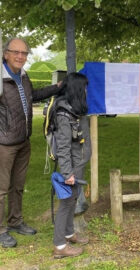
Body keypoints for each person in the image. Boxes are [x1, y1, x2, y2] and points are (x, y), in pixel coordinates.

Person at [0, 38, 61, 248]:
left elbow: (32, 96)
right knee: (1, 189)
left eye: (24, 53)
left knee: (17, 186)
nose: (20, 57)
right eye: (15, 52)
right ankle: (0, 231)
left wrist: (57, 87)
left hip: (23, 141)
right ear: (5, 53)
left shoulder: (23, 77)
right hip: (4, 143)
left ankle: (15, 222)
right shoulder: (1, 78)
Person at [52, 72, 91, 259]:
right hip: (71, 167)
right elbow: (63, 147)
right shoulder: (64, 114)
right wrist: (67, 173)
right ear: (77, 89)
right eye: (84, 87)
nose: (86, 91)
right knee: (66, 204)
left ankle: (69, 234)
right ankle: (59, 246)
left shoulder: (75, 109)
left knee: (73, 199)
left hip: (77, 165)